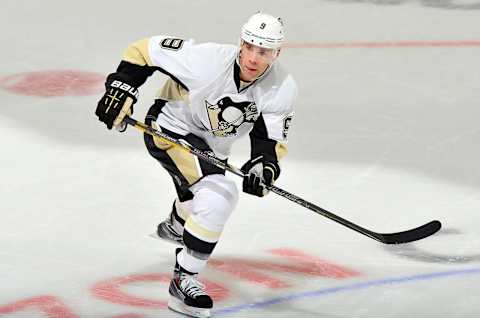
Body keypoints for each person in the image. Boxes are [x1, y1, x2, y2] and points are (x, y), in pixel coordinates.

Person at [95, 11, 297, 318]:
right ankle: (184, 279)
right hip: (170, 128)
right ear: (240, 43)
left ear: (277, 53)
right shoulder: (206, 60)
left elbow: (269, 141)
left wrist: (263, 168)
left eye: (264, 51)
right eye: (250, 46)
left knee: (201, 196)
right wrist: (121, 88)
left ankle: (178, 223)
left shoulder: (282, 87)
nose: (254, 57)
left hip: (212, 148)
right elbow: (142, 50)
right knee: (219, 195)